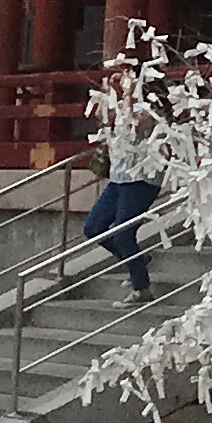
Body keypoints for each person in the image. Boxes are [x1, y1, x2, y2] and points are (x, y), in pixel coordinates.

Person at [81, 72, 160, 303]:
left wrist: (129, 93)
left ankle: (142, 288)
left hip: (142, 179)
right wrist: (111, 90)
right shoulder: (116, 109)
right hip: (118, 178)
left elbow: (133, 123)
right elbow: (101, 117)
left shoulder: (150, 111)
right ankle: (135, 260)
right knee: (94, 227)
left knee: (124, 232)